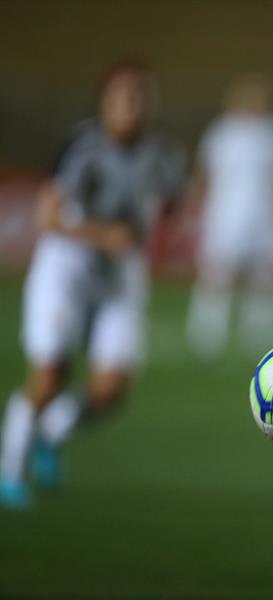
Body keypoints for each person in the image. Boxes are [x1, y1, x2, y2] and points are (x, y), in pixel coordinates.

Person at [0, 62, 185, 509]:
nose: (133, 105)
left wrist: (160, 233)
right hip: (67, 269)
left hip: (120, 274)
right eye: (125, 96)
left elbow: (175, 201)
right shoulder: (82, 148)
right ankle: (9, 473)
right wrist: (105, 235)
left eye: (142, 96)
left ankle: (51, 432)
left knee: (112, 389)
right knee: (50, 376)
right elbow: (48, 218)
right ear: (106, 102)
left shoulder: (164, 152)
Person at [185, 74, 273, 360]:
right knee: (217, 275)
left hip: (266, 218)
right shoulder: (222, 133)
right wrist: (194, 206)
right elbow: (205, 173)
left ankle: (262, 337)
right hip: (225, 216)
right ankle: (206, 336)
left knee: (264, 279)